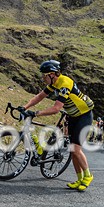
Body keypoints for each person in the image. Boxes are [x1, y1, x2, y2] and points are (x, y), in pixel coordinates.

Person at [22, 60, 95, 191]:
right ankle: (79, 179)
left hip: (84, 115)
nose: (43, 78)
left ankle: (88, 176)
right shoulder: (54, 83)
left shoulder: (64, 83)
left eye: (44, 76)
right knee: (72, 151)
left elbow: (56, 108)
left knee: (76, 149)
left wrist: (36, 113)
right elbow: (40, 96)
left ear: (52, 74)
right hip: (73, 115)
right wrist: (25, 107)